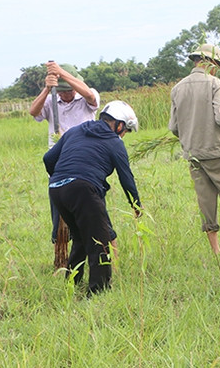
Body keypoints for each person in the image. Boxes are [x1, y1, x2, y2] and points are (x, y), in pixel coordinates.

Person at [44, 101, 142, 295]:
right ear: (119, 125)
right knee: (100, 240)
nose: (124, 135)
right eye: (125, 130)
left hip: (56, 189)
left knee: (80, 237)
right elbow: (126, 178)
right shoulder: (114, 142)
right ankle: (99, 291)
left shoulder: (74, 131)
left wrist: (61, 177)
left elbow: (48, 159)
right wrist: (136, 205)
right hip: (83, 189)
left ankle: (72, 283)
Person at [169, 44, 220, 254]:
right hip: (218, 151)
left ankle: (215, 250)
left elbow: (174, 127)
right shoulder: (215, 84)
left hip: (193, 154)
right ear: (211, 63)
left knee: (206, 201)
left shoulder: (178, 88)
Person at [29, 62, 102, 255]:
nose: (65, 95)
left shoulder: (86, 96)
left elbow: (90, 96)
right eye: (61, 91)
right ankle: (61, 254)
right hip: (59, 164)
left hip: (86, 162)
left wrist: (61, 73)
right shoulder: (51, 99)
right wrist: (48, 88)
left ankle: (95, 251)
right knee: (59, 213)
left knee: (89, 211)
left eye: (68, 90)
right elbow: (33, 112)